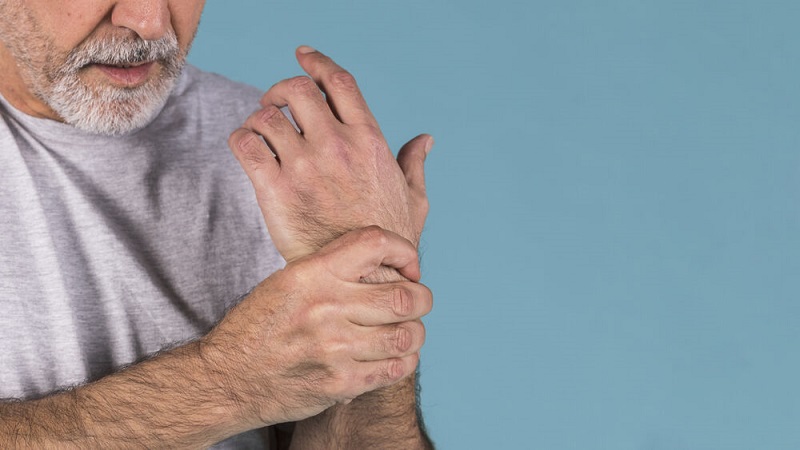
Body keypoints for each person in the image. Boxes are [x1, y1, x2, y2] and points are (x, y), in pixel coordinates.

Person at [0, 1, 435, 448]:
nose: (151, 22)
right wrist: (228, 383)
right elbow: (237, 382)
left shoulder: (289, 156)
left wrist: (377, 288)